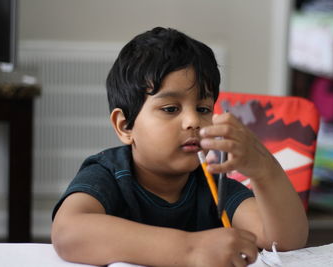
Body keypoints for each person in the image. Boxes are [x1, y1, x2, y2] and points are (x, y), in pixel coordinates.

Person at [51, 27, 308, 267]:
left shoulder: (216, 185)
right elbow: (67, 233)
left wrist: (264, 167)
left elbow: (284, 241)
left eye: (203, 109)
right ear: (125, 127)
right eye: (170, 109)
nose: (193, 121)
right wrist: (191, 249)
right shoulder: (108, 174)